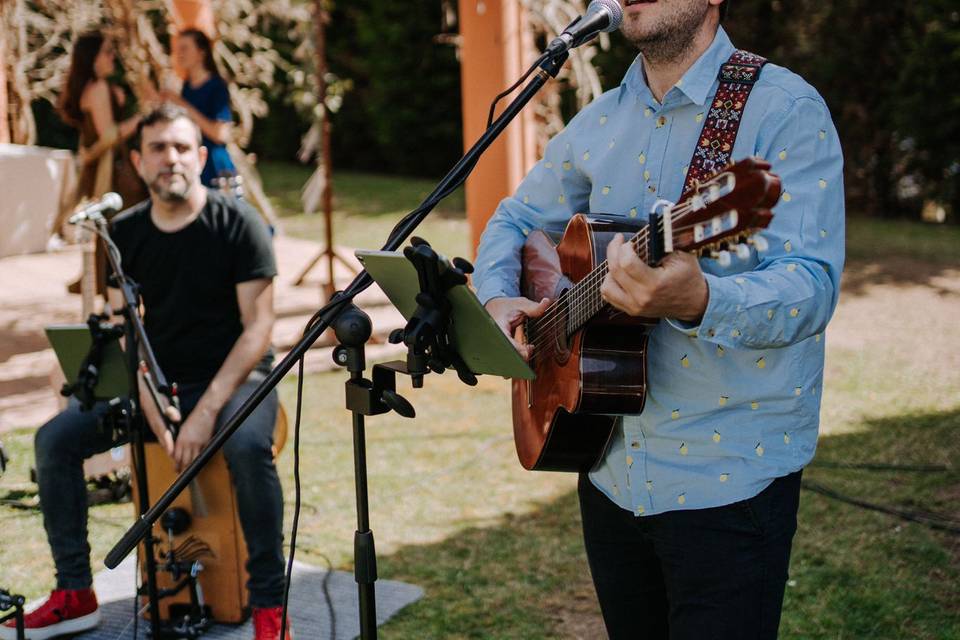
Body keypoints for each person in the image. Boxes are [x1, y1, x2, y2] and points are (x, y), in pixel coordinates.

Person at [473, 1, 844, 638]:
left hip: (728, 482)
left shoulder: (783, 108)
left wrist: (701, 301)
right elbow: (516, 219)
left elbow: (811, 288)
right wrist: (499, 298)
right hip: (608, 462)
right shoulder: (599, 122)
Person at [2, 104, 291, 640]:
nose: (171, 159)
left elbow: (258, 331)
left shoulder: (240, 224)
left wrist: (204, 415)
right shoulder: (123, 235)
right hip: (155, 386)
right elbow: (123, 331)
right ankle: (75, 593)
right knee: (55, 440)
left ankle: (270, 608)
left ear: (201, 157)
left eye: (182, 147)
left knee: (248, 449)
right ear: (137, 161)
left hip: (234, 381)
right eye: (157, 148)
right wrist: (155, 407)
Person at [56, 31, 148, 293]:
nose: (112, 57)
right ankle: (112, 284)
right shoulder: (97, 89)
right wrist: (139, 119)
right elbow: (108, 134)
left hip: (106, 170)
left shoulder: (95, 88)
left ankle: (105, 283)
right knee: (122, 225)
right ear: (93, 58)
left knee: (109, 226)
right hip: (113, 171)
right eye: (107, 52)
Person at [160, 29, 237, 188]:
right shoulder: (186, 87)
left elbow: (220, 134)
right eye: (177, 49)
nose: (179, 54)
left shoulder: (217, 86)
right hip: (192, 167)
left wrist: (182, 104)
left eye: (185, 48)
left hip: (215, 168)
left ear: (201, 52)